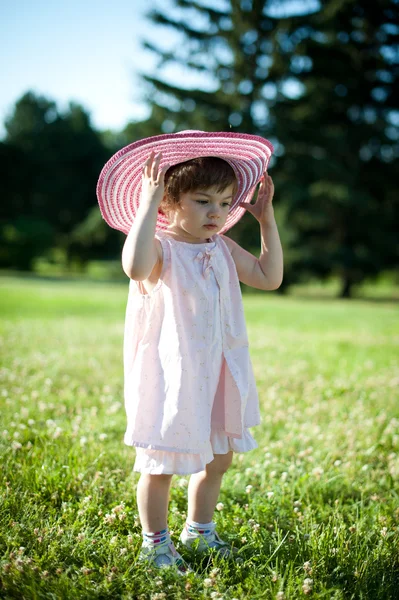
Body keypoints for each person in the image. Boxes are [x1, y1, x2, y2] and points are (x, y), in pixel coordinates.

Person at [96, 131, 283, 574]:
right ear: (169, 203)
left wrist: (266, 220)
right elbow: (134, 266)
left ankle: (199, 530)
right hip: (172, 373)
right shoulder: (161, 250)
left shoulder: (222, 246)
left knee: (219, 457)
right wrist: (145, 204)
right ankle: (154, 544)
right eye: (203, 201)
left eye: (224, 202)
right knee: (162, 461)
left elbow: (269, 277)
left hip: (217, 369)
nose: (216, 212)